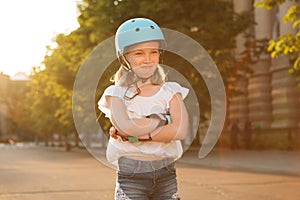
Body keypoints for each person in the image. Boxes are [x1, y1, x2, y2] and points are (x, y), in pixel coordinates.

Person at [98, 18, 189, 200]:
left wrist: (137, 135)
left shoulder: (171, 90)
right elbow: (126, 128)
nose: (148, 60)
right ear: (124, 57)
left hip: (166, 174)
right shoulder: (115, 93)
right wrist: (164, 119)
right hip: (131, 176)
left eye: (153, 52)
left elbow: (180, 131)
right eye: (139, 53)